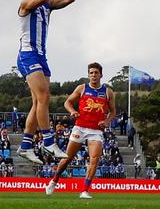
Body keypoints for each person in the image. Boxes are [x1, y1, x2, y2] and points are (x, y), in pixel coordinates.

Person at [16, 0, 81, 163]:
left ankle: (26, 146)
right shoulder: (26, 4)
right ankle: (47, 141)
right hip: (28, 55)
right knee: (43, 98)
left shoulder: (47, 5)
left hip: (42, 57)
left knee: (38, 103)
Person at [45, 62, 116, 199]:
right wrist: (72, 111)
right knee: (68, 158)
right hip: (80, 128)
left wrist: (107, 121)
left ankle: (84, 190)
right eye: (91, 73)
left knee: (94, 159)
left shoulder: (108, 92)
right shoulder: (82, 88)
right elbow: (67, 102)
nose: (93, 75)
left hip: (96, 130)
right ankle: (54, 180)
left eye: (96, 72)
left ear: (101, 74)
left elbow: (113, 112)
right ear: (88, 75)